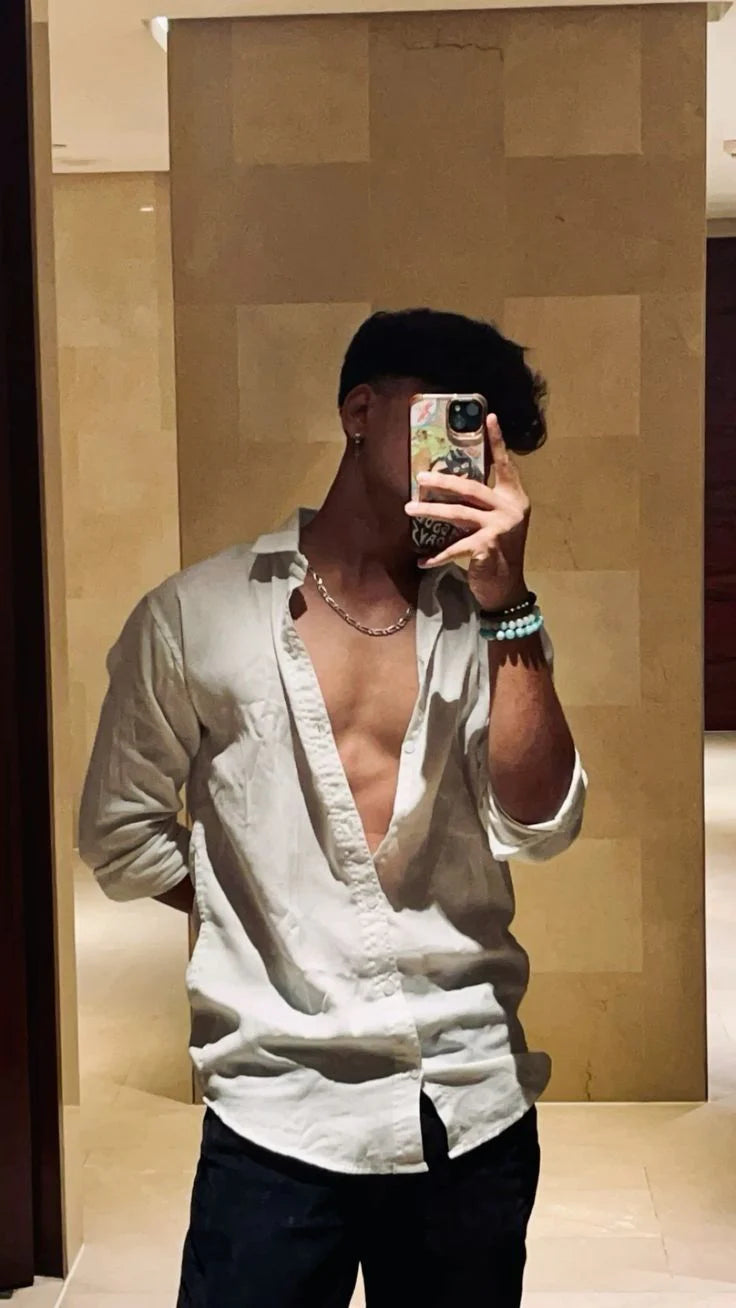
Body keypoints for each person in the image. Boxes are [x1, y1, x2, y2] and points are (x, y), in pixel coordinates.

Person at [80, 307, 587, 1308]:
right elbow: (122, 833)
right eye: (451, 416)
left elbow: (539, 826)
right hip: (278, 1106)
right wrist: (256, 909)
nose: (469, 452)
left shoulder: (491, 626)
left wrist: (508, 600)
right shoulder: (197, 614)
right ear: (361, 410)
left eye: (487, 435)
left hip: (465, 1096)